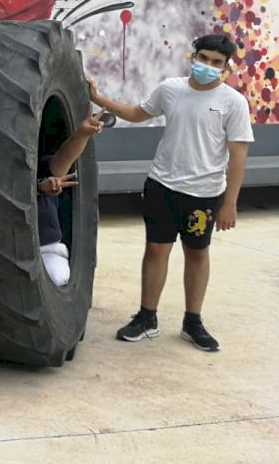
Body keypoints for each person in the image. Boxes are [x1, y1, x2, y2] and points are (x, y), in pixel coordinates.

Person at [90, 34, 254, 352]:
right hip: (162, 186)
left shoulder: (233, 102)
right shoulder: (170, 89)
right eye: (203, 58)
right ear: (193, 57)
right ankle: (146, 318)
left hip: (204, 195)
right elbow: (137, 113)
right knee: (155, 250)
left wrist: (230, 203)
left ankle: (193, 322)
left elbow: (238, 155)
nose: (207, 66)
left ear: (225, 68)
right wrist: (99, 99)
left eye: (216, 62)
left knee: (197, 253)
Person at [37, 111, 105, 288]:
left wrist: (82, 135)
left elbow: (62, 161)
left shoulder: (37, 165)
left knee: (57, 278)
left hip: (45, 250)